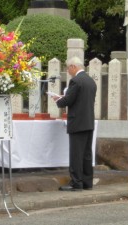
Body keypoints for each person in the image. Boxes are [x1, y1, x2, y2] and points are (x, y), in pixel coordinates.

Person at [51, 56, 97, 191]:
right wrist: (64, 98)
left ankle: (76, 183)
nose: (68, 70)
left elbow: (69, 100)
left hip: (77, 122)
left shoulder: (76, 81)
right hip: (88, 121)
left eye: (68, 68)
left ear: (73, 67)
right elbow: (81, 99)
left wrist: (58, 100)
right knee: (87, 154)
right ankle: (87, 182)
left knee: (76, 154)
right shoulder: (90, 81)